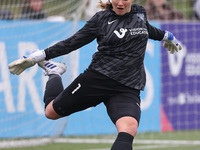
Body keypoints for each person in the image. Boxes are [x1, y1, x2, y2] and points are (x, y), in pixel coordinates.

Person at [8, 0, 182, 149]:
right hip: (97, 79)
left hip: (127, 86)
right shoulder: (101, 19)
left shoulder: (140, 13)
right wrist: (38, 57)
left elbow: (147, 29)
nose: (120, 3)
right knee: (50, 112)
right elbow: (71, 43)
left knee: (129, 128)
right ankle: (54, 72)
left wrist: (167, 36)